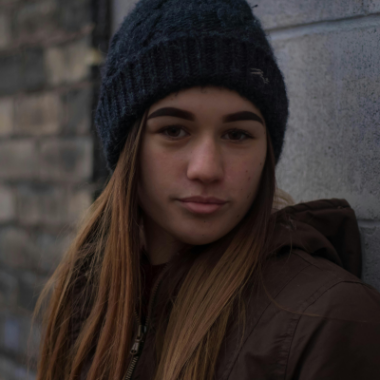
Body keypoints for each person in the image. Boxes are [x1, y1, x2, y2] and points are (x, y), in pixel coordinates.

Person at [34, 0, 380, 379]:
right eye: (174, 130)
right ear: (127, 147)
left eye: (237, 134)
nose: (206, 169)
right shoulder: (86, 295)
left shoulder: (327, 320)